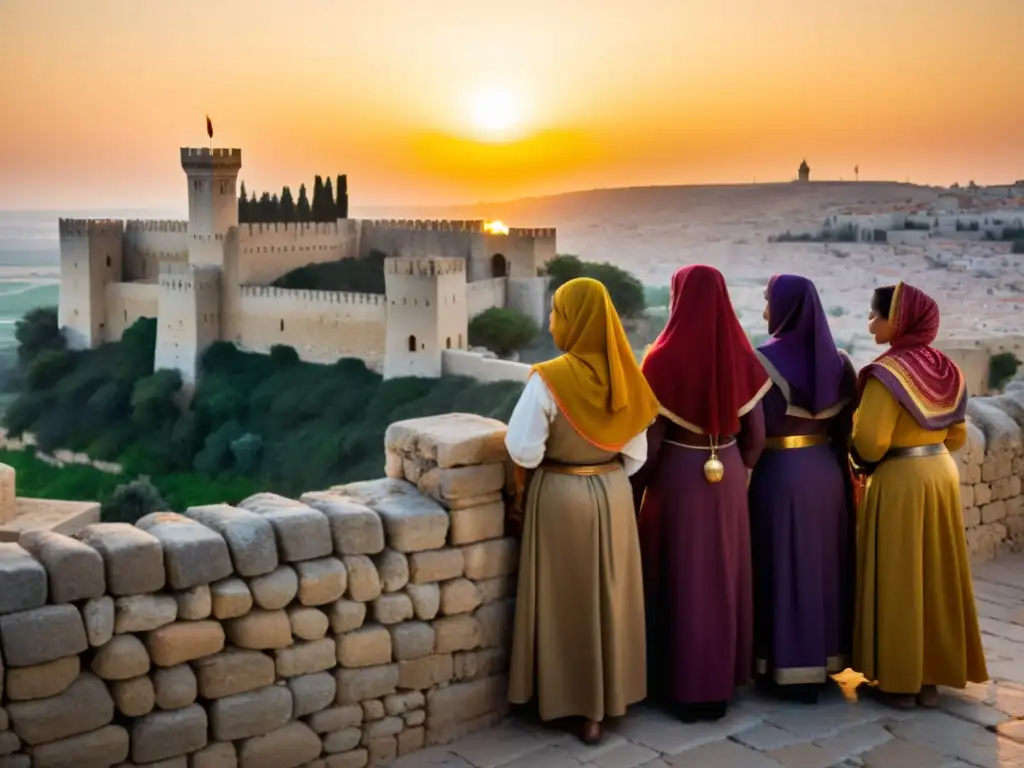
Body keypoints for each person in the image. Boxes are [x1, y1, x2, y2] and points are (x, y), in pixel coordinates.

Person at [505, 276, 659, 745]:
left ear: (573, 320)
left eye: (556, 313)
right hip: (612, 494)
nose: (551, 322)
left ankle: (568, 701)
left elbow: (523, 450)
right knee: (609, 596)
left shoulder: (549, 379)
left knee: (565, 600)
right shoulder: (629, 377)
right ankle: (609, 700)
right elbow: (637, 456)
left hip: (561, 497)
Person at [632, 264, 770, 722]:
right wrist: (734, 470)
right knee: (723, 573)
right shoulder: (744, 357)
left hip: (677, 473)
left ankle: (678, 683)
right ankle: (721, 681)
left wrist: (637, 491)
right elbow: (756, 438)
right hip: (726, 472)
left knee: (678, 574)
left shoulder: (660, 360)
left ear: (678, 298)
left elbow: (650, 445)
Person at [851, 281, 988, 708]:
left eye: (877, 315)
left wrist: (859, 458)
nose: (871, 322)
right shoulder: (946, 368)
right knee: (935, 573)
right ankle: (930, 680)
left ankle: (899, 683)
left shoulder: (887, 373)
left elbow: (871, 440)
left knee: (900, 575)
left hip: (901, 478)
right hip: (940, 473)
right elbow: (959, 434)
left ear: (900, 320)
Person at [748, 274, 857, 704]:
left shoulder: (760, 361)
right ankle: (824, 657)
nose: (763, 311)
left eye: (767, 302)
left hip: (779, 473)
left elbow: (751, 429)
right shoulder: (842, 364)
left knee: (782, 564)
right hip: (827, 473)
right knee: (822, 566)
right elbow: (848, 429)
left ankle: (782, 663)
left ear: (786, 308)